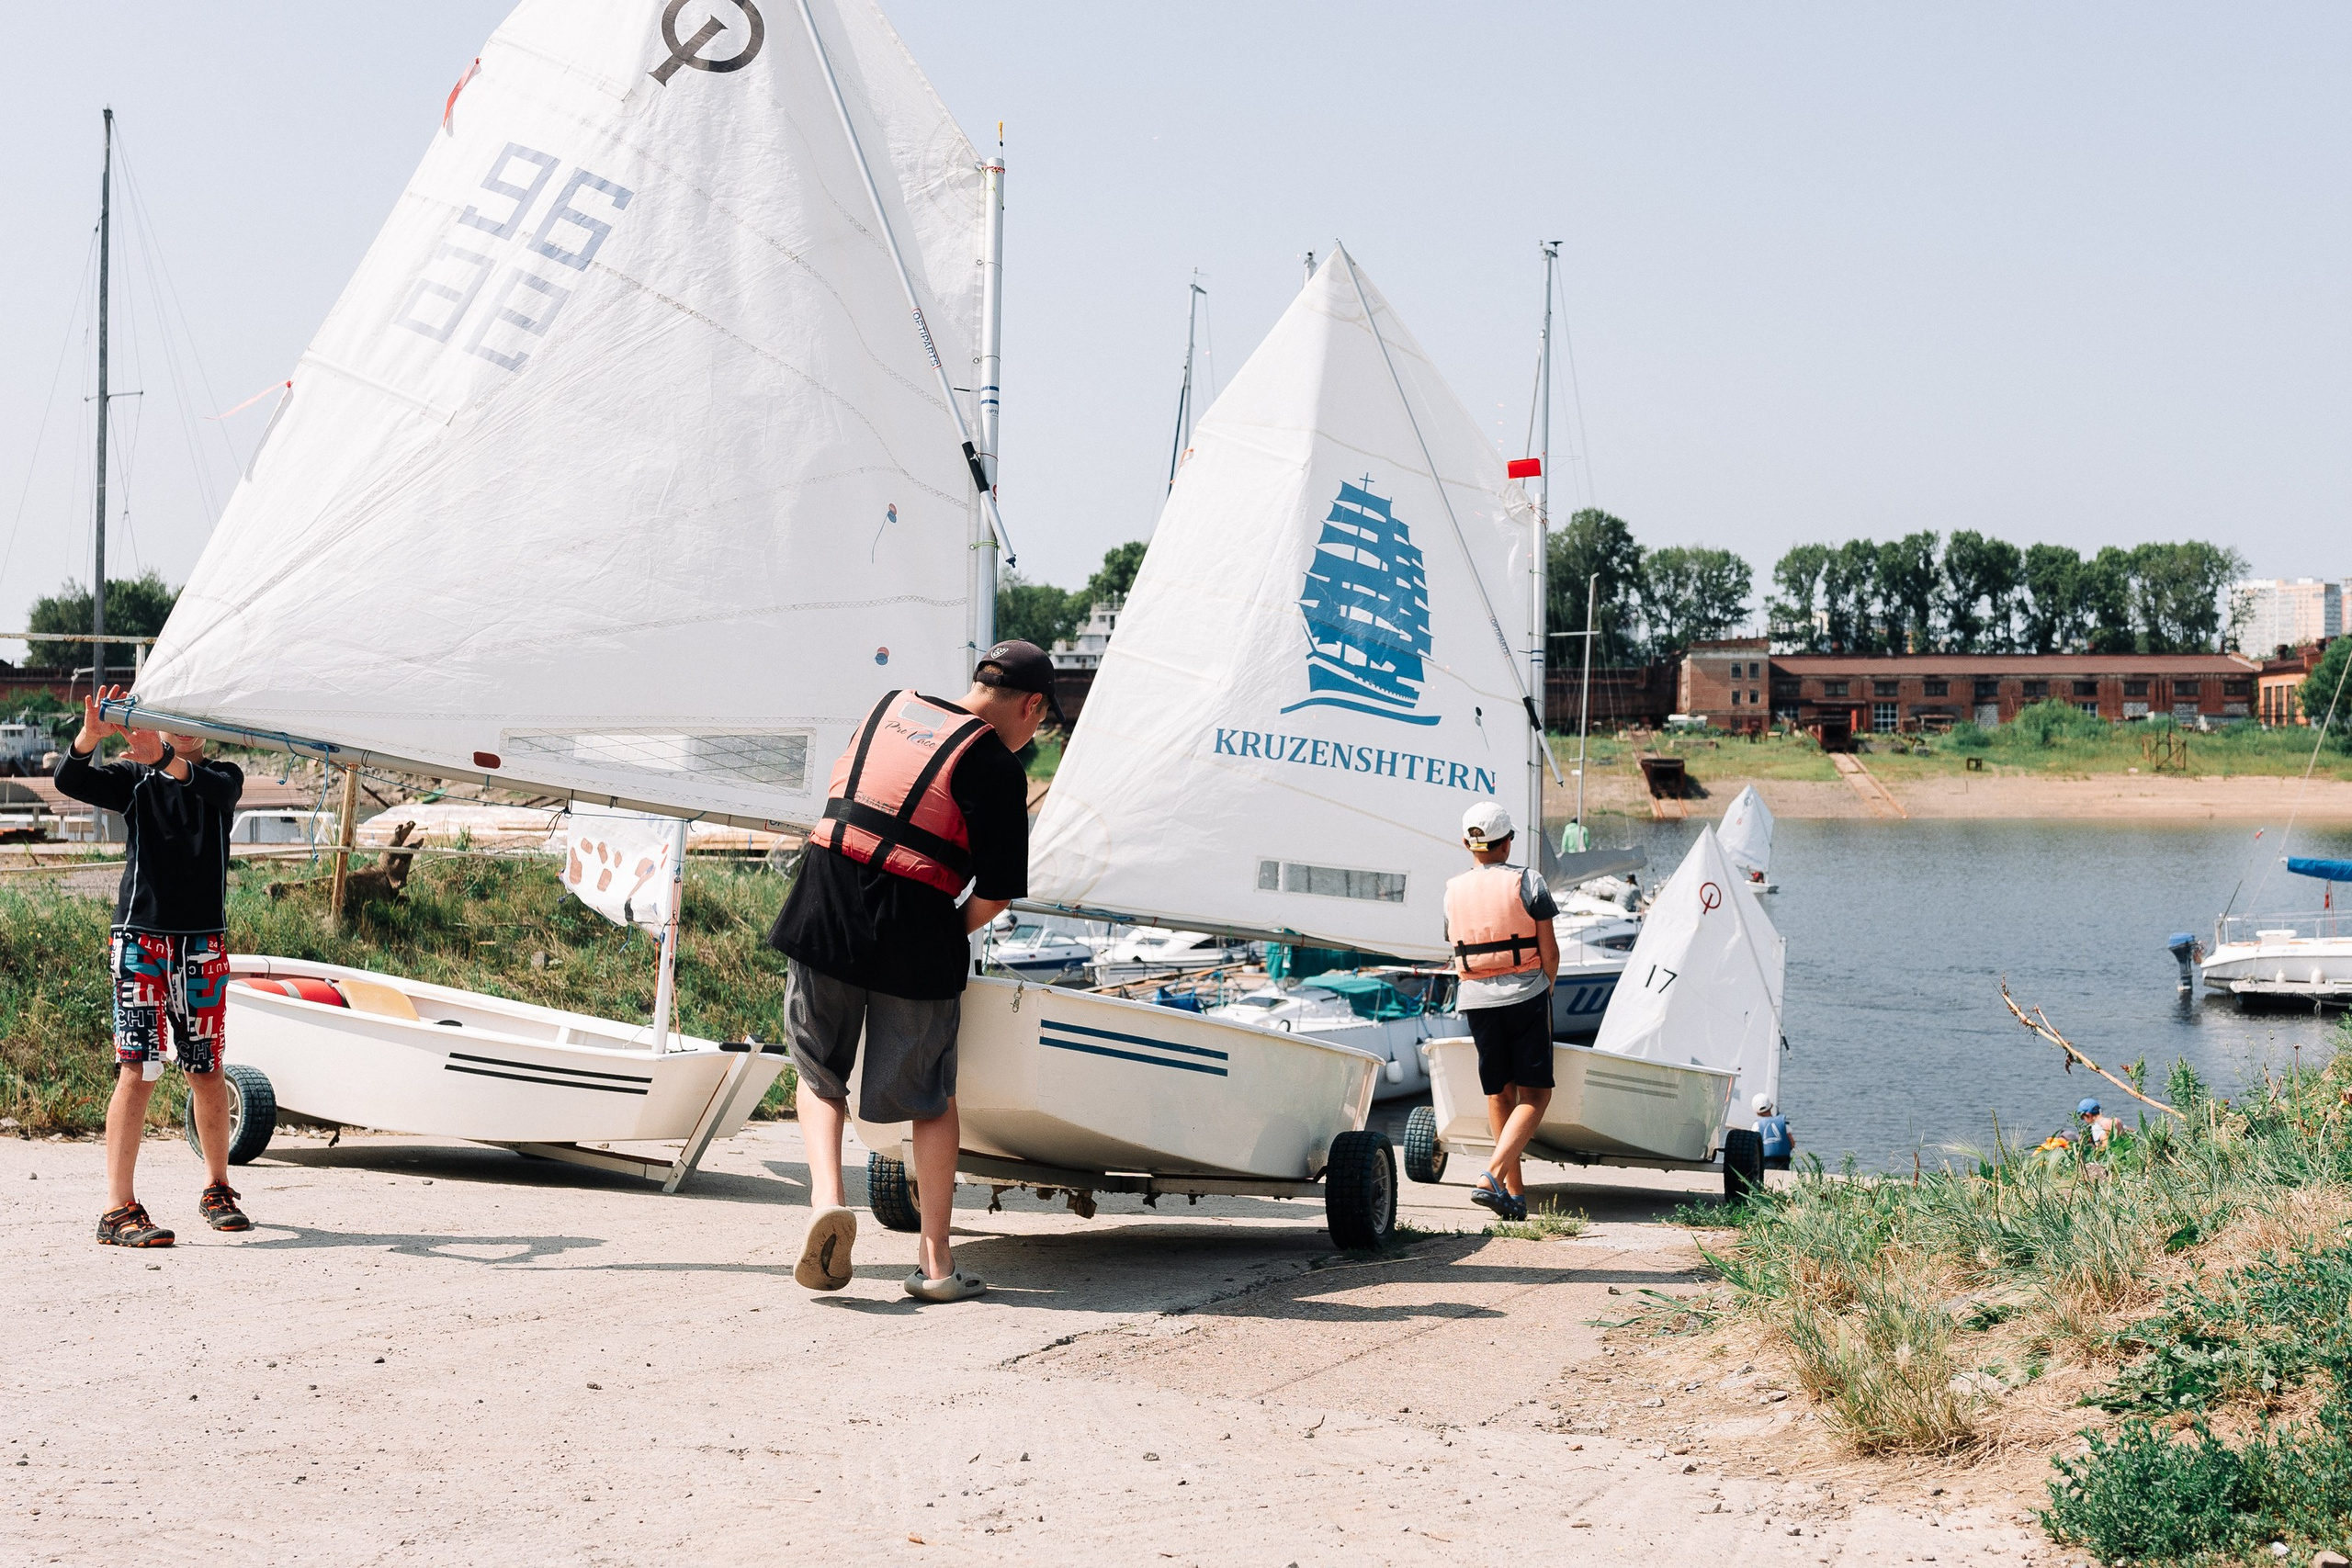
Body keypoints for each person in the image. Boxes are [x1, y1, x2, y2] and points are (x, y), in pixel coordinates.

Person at [768, 641, 1056, 1302]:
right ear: (1031, 705)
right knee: (931, 1097)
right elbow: (997, 893)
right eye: (1039, 724)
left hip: (824, 900)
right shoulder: (994, 763)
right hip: (917, 922)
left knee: (818, 1070)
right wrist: (931, 936)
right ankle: (934, 1264)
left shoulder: (887, 706)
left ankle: (826, 1201)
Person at [54, 686, 248, 1247]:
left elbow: (205, 784)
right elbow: (72, 780)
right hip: (141, 941)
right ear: (158, 725)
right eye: (173, 721)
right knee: (138, 1069)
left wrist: (163, 756)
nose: (185, 729)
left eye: (195, 722)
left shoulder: (224, 778)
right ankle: (118, 1208)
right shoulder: (135, 779)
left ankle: (217, 1187)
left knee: (206, 1069)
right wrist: (89, 738)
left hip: (202, 947)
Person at [1442, 801, 1559, 1224]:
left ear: (1467, 844)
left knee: (1498, 1092)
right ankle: (1492, 1176)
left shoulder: (1452, 889)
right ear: (1508, 843)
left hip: (1475, 999)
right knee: (1536, 1095)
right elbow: (1549, 949)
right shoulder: (1529, 881)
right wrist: (1546, 990)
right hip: (1525, 994)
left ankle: (1514, 1196)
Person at [1753, 1093, 1794, 1168]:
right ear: (1771, 1106)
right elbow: (1792, 1142)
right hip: (1783, 1160)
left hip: (1764, 1160)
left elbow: (1753, 1145)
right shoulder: (1783, 1123)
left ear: (1757, 1112)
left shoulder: (1756, 1126)